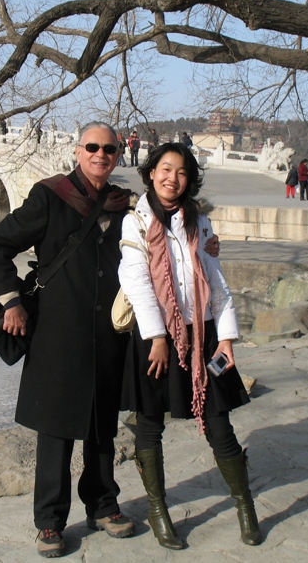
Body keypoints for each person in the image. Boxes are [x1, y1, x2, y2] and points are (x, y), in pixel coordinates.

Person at [0, 122, 135, 558]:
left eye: (109, 148)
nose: (100, 154)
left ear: (118, 154)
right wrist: (10, 301)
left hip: (109, 332)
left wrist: (208, 242)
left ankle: (103, 505)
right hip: (57, 331)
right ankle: (49, 521)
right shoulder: (50, 196)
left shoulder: (125, 206)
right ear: (77, 150)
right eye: (92, 147)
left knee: (102, 424)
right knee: (56, 429)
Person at [118, 143, 260, 550]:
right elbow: (137, 283)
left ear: (189, 178)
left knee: (220, 423)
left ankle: (244, 505)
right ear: (150, 173)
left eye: (180, 172)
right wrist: (158, 337)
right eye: (165, 169)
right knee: (149, 423)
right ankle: (158, 510)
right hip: (154, 336)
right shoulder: (135, 222)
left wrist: (228, 340)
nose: (171, 178)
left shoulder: (200, 223)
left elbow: (216, 283)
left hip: (203, 333)